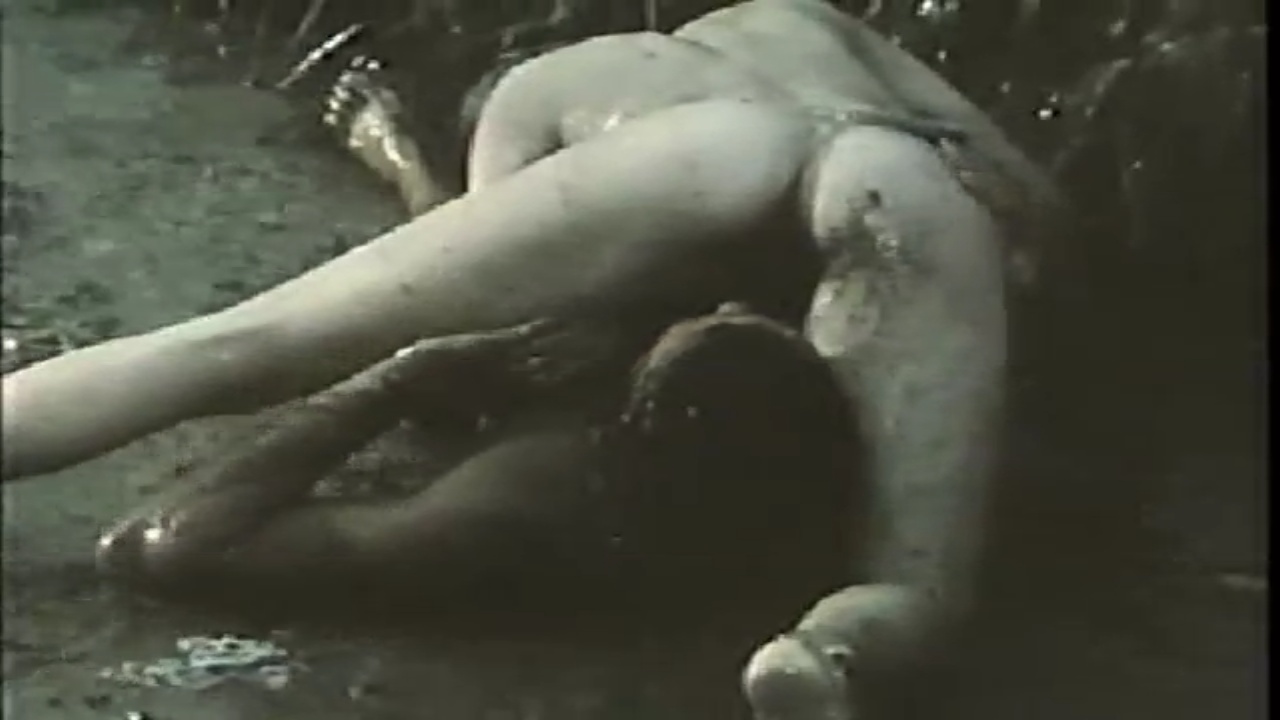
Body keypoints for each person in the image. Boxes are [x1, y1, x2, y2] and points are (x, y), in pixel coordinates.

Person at [1, 1, 1064, 717]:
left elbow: (504, 328)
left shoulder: (553, 83)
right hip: (903, 170)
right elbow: (1041, 218)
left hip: (692, 152)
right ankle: (817, 656)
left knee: (242, 347)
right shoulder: (816, 21)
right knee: (914, 578)